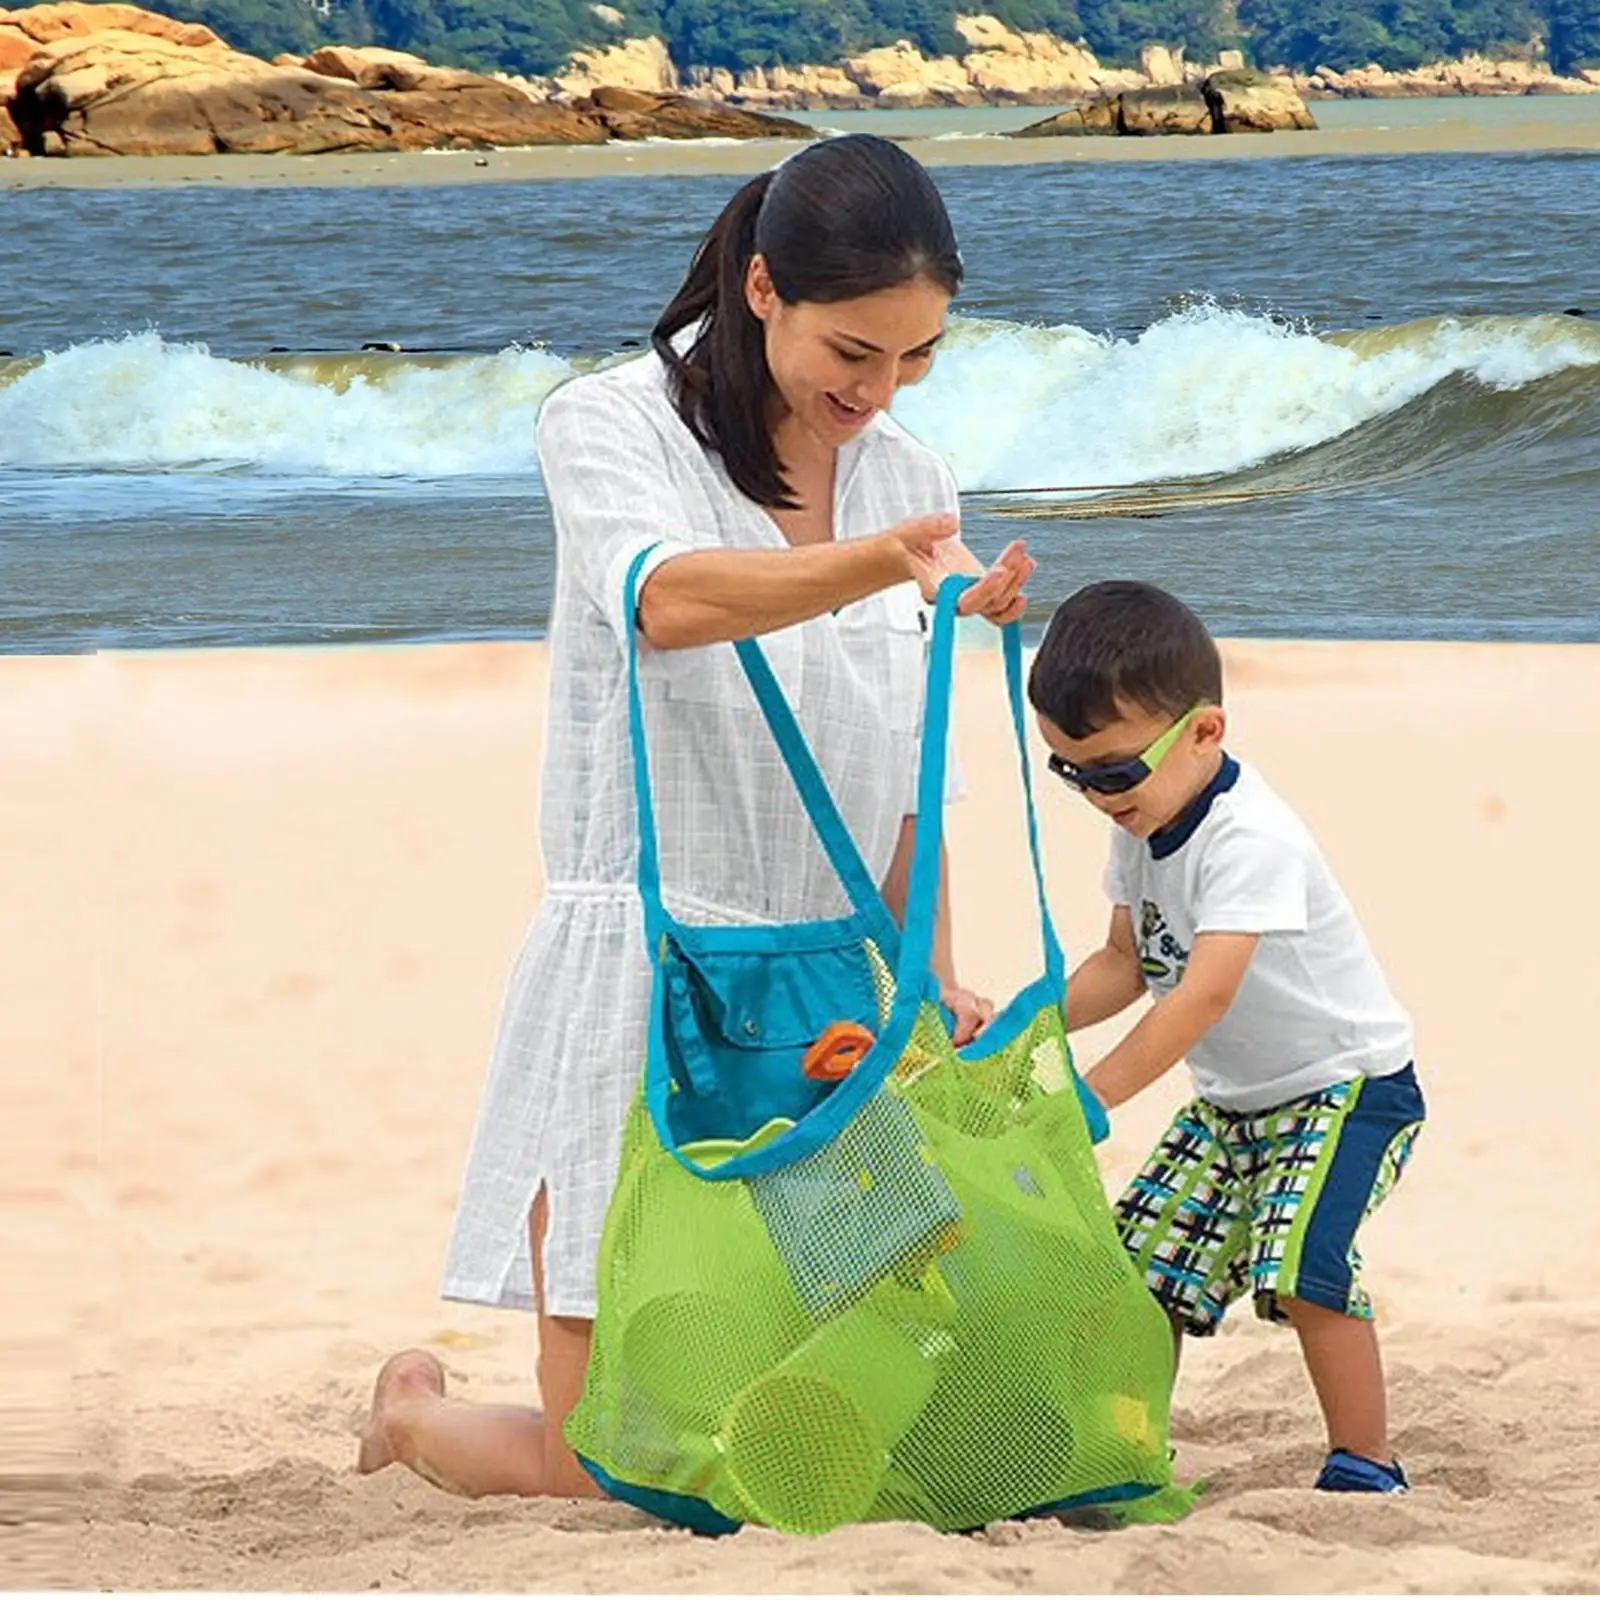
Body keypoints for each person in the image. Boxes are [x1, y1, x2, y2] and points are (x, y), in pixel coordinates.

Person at [356, 134, 1034, 1499]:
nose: (879, 390)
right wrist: (879, 567)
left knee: (862, 1418)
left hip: (836, 994)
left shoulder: (909, 476)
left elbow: (913, 769)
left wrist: (933, 967)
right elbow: (665, 602)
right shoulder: (608, 425)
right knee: (616, 1459)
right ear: (766, 288)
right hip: (648, 966)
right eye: (856, 351)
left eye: (915, 359)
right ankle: (415, 1415)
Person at [1027, 580, 1426, 1495]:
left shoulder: (1252, 839)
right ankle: (1129, 1451)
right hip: (1236, 1105)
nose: (1094, 794)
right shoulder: (1143, 820)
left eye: (1113, 771)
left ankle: (1368, 1462)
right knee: (1141, 1272)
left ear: (1205, 731)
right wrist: (1027, 1021)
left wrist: (1091, 1097)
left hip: (1348, 1092)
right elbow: (1124, 965)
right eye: (1069, 771)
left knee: (1302, 1270)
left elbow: (1200, 996)